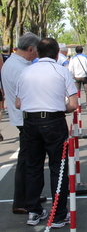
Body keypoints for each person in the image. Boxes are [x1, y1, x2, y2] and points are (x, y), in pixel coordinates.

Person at [15, 37, 78, 227]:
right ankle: (58, 215)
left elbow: (18, 103)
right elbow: (73, 104)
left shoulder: (25, 72)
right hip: (54, 121)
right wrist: (61, 107)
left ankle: (33, 211)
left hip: (30, 122)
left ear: (38, 52)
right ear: (57, 53)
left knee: (33, 166)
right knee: (58, 168)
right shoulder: (61, 71)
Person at [1, 32, 46, 214]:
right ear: (30, 49)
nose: (37, 55)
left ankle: (30, 195)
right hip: (26, 118)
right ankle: (21, 201)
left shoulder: (14, 63)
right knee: (27, 161)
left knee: (31, 159)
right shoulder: (19, 68)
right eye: (36, 52)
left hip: (24, 117)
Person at [69, 46, 87, 111]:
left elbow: (70, 69)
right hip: (84, 76)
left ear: (75, 51)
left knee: (76, 92)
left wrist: (72, 76)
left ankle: (77, 106)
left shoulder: (73, 58)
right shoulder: (86, 57)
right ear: (82, 50)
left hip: (76, 77)